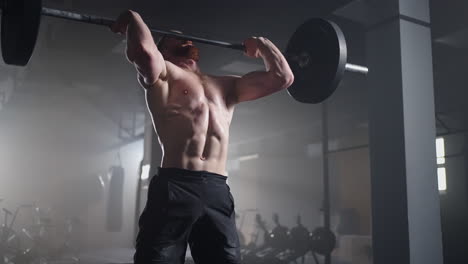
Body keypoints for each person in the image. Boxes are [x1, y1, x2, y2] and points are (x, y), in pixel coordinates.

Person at [111, 10, 294, 264]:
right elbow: (143, 51)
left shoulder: (227, 86)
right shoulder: (165, 77)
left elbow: (282, 78)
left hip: (217, 189)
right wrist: (132, 18)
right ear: (163, 51)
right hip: (176, 185)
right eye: (175, 40)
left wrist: (262, 44)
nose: (185, 41)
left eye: (187, 39)